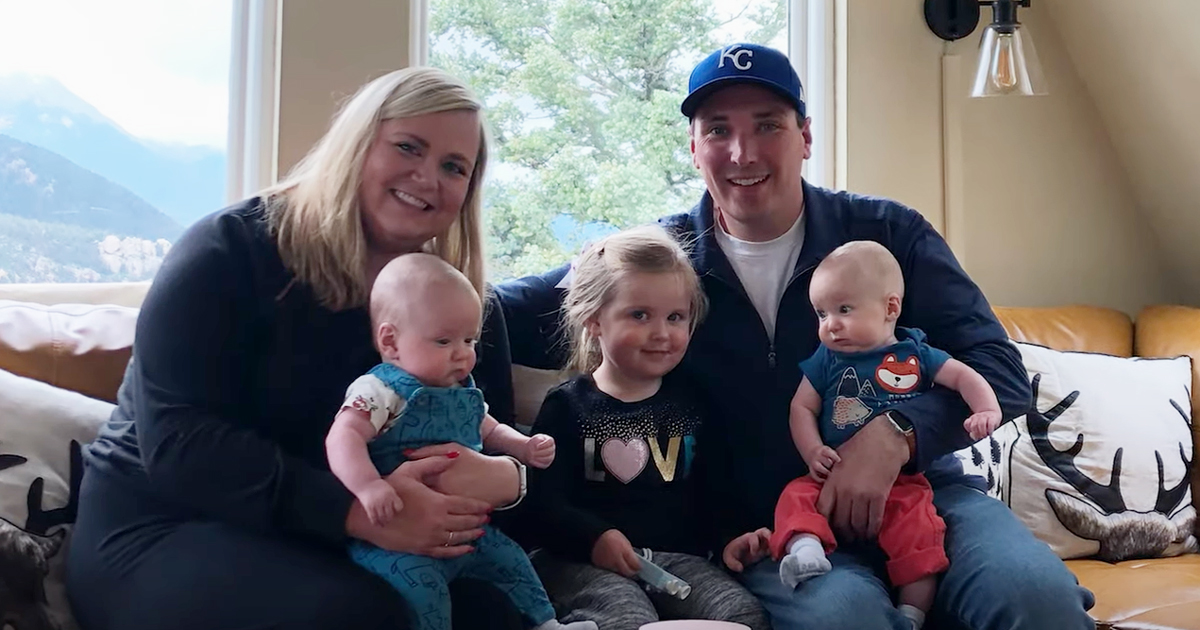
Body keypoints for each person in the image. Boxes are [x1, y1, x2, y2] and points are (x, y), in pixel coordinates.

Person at [491, 43, 1097, 629]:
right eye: (718, 130)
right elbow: (494, 315)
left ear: (805, 136)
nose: (742, 151)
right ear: (693, 147)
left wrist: (895, 435)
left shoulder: (889, 234)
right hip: (781, 521)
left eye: (767, 125)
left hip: (925, 495)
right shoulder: (658, 262)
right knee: (844, 618)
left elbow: (998, 368)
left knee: (1036, 598)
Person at [67, 67, 530, 630]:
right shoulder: (228, 251)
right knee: (360, 617)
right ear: (358, 145)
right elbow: (181, 443)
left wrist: (506, 479)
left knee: (496, 614)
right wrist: (358, 512)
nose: (428, 177)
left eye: (454, 167)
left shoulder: (464, 304)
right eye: (408, 146)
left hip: (352, 541)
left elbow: (498, 435)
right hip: (167, 523)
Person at [326, 252, 592, 630]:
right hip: (396, 537)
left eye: (469, 340)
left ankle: (548, 625)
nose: (463, 354)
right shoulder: (381, 389)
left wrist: (522, 447)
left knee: (514, 562)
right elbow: (344, 436)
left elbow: (489, 427)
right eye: (443, 340)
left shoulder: (462, 388)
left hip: (469, 529)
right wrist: (367, 487)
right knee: (422, 592)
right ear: (391, 341)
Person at [522, 225, 770, 630]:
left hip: (676, 560)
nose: (661, 333)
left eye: (676, 317)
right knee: (625, 618)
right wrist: (594, 537)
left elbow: (718, 490)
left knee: (742, 616)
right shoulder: (567, 406)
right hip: (578, 560)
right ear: (594, 320)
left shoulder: (695, 401)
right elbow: (541, 504)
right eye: (639, 315)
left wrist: (731, 538)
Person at [772, 240, 1002, 630]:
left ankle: (912, 613)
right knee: (795, 496)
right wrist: (812, 450)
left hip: (906, 482)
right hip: (832, 477)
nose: (830, 324)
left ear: (890, 308)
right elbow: (801, 407)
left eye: (843, 310)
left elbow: (964, 376)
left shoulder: (917, 354)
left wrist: (987, 409)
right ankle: (807, 549)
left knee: (922, 532)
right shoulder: (828, 359)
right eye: (822, 313)